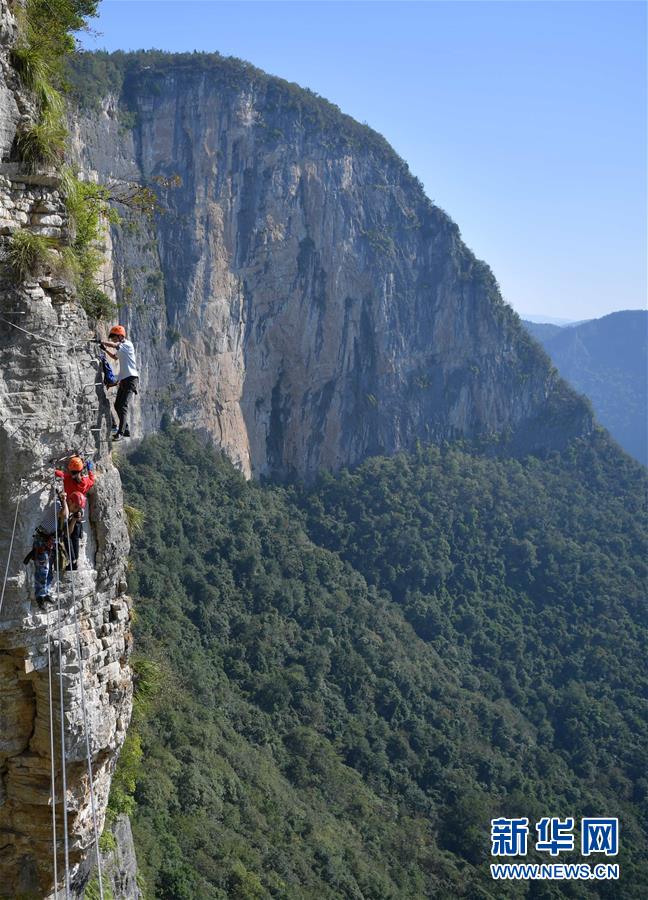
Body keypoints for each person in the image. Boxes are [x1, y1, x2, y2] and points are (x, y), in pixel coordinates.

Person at [54, 456, 95, 570]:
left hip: (69, 508)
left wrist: (53, 466)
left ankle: (72, 561)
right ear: (81, 471)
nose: (72, 474)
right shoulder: (85, 482)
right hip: (79, 510)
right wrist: (90, 469)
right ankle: (74, 561)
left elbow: (58, 474)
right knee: (75, 537)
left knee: (67, 536)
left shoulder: (67, 478)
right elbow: (92, 480)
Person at [100, 325, 139, 441]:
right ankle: (125, 428)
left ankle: (120, 433)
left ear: (121, 336)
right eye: (112, 337)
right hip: (124, 380)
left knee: (123, 406)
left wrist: (103, 342)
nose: (113, 339)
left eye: (114, 337)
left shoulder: (127, 344)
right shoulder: (121, 348)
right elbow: (115, 357)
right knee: (117, 405)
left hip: (131, 379)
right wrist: (104, 349)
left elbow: (115, 346)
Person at [30, 491, 69, 605]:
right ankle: (40, 595)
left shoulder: (62, 506)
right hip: (41, 541)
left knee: (49, 571)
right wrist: (63, 500)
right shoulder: (57, 504)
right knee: (43, 568)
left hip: (49, 543)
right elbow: (65, 514)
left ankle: (45, 593)